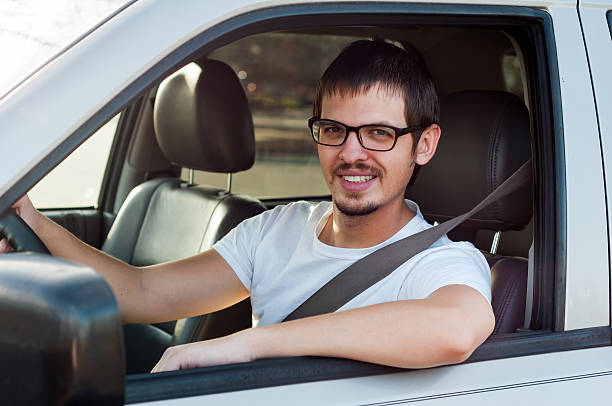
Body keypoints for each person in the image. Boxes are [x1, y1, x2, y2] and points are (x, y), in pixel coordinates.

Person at [0, 40, 494, 372]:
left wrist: (247, 345)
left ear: (424, 145)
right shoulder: (276, 229)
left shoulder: (441, 262)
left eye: (379, 134)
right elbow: (140, 292)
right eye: (333, 130)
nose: (351, 153)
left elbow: (454, 329)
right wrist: (32, 219)